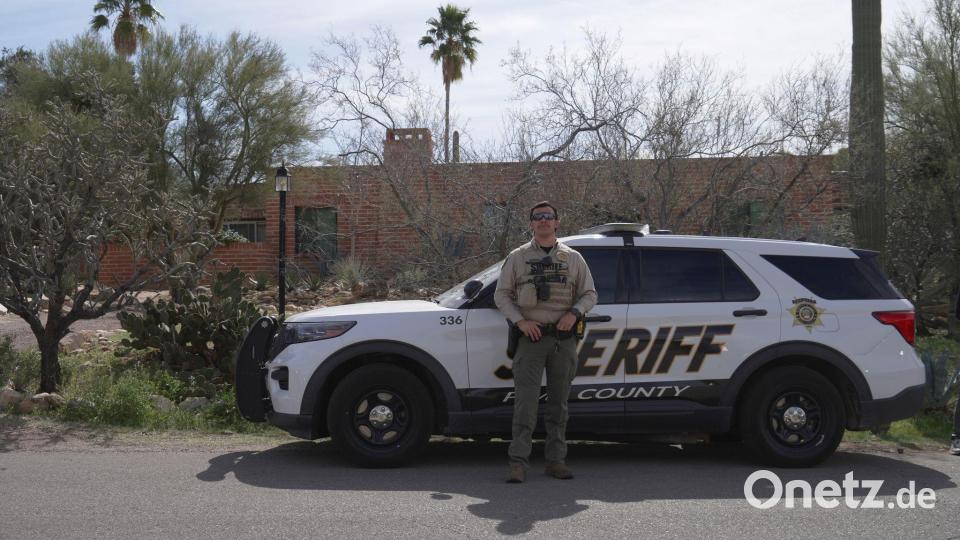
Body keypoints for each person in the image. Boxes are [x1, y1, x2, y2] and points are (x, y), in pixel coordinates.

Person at [494, 201, 598, 483]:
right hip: (531, 338)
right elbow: (501, 295)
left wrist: (574, 313)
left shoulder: (573, 258)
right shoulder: (517, 257)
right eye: (537, 217)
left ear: (557, 222)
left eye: (548, 217)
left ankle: (555, 461)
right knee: (525, 405)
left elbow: (589, 295)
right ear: (531, 223)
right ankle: (518, 463)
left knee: (558, 405)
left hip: (563, 340)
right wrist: (520, 321)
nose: (543, 221)